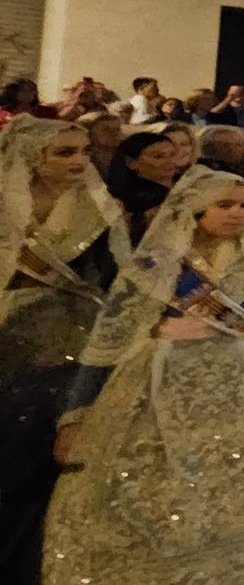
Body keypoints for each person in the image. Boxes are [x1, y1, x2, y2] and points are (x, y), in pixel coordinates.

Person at [43, 169, 244, 584]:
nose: (238, 214)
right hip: (162, 383)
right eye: (224, 205)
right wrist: (77, 413)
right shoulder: (158, 263)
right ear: (194, 210)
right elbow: (107, 342)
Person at [0, 119, 130, 579]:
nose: (79, 161)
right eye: (64, 153)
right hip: (7, 339)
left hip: (71, 342)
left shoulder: (97, 208)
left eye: (83, 152)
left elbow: (116, 278)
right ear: (33, 157)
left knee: (52, 450)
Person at [105, 131, 180, 235]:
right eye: (158, 156)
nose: (169, 161)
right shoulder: (137, 201)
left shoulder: (183, 185)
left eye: (173, 154)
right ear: (132, 163)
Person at [76, 110, 124, 178]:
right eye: (106, 129)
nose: (115, 133)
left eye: (117, 129)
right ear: (89, 134)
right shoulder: (82, 160)